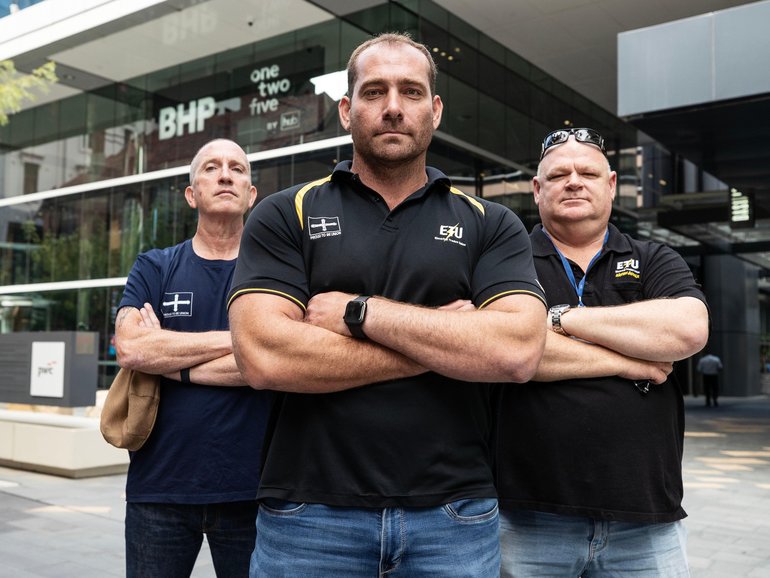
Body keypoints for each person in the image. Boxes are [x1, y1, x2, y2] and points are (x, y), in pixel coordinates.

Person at [227, 33, 547, 577]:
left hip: (455, 518)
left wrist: (360, 314)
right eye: (374, 92)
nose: (394, 107)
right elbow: (264, 355)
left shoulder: (491, 224)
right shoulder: (286, 213)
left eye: (411, 92)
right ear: (347, 110)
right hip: (308, 516)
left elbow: (516, 351)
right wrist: (449, 343)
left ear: (435, 110)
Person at [495, 127, 710, 577]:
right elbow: (505, 349)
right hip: (526, 519)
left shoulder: (654, 258)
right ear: (537, 189)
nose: (574, 181)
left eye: (588, 172)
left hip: (646, 520)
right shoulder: (503, 261)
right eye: (558, 174)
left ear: (611, 184)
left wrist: (558, 319)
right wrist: (633, 359)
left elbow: (687, 329)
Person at [114, 138, 272, 578]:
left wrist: (170, 356)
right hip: (159, 490)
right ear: (191, 194)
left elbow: (277, 361)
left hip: (254, 493)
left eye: (237, 169)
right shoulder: (155, 266)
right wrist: (242, 339)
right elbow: (131, 347)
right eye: (211, 168)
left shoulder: (273, 273)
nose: (225, 175)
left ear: (251, 193)